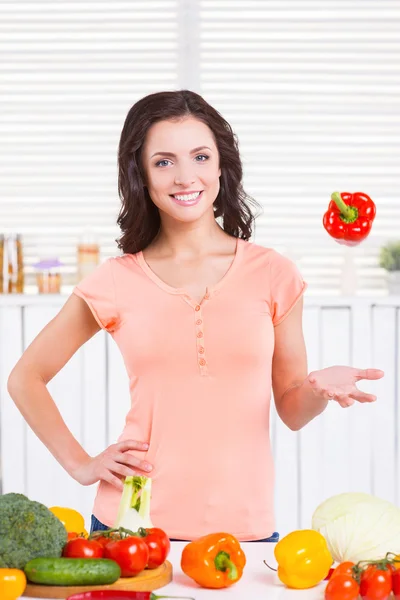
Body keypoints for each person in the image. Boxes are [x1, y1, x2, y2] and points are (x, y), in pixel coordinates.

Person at [7, 90, 384, 543]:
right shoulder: (115, 280)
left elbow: (292, 410)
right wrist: (82, 465)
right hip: (131, 525)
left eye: (200, 157)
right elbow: (25, 377)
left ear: (221, 165)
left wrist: (318, 389)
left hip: (244, 529)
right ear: (141, 175)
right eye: (164, 161)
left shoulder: (273, 272)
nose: (186, 177)